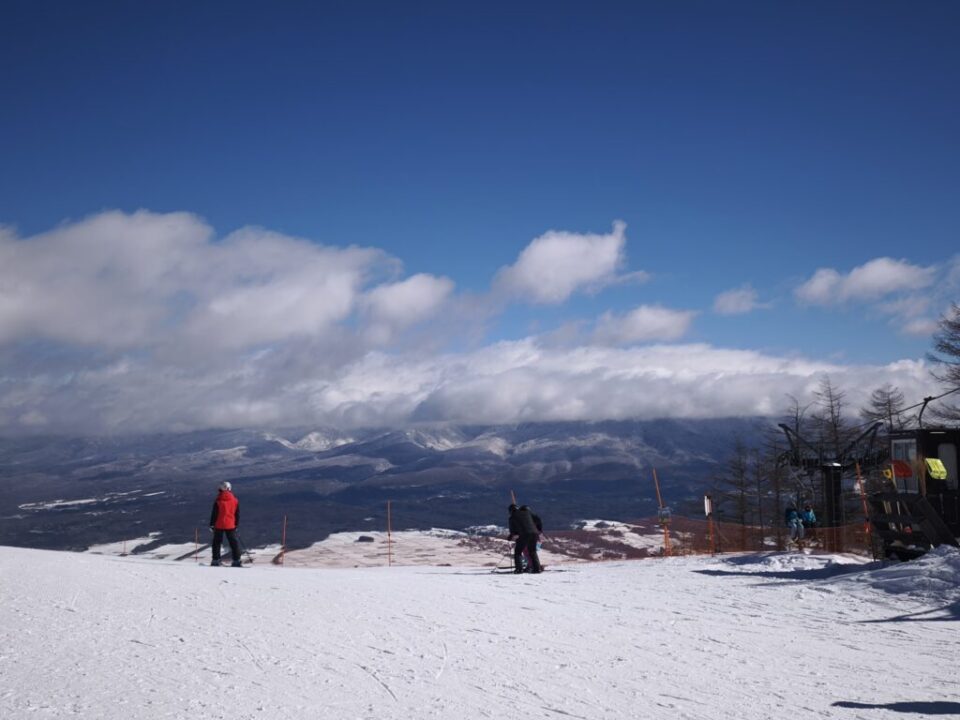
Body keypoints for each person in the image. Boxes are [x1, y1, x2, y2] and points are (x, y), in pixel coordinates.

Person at [209, 481, 242, 567]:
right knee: (233, 543)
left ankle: (215, 560)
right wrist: (236, 524)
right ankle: (236, 560)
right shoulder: (235, 500)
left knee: (216, 542)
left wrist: (212, 524)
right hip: (230, 524)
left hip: (218, 524)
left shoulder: (218, 500)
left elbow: (214, 513)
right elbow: (237, 514)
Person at [507, 504, 542, 574]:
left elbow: (513, 531)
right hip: (534, 533)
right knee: (532, 551)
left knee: (518, 552)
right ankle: (537, 569)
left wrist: (510, 538)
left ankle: (519, 569)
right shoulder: (527, 512)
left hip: (523, 534)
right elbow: (538, 519)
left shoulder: (512, 517)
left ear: (510, 511)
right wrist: (539, 528)